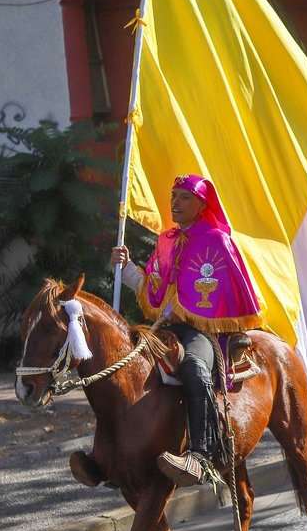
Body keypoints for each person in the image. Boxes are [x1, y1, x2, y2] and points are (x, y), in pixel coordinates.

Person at [92, 175, 264, 488]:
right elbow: (152, 288)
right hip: (165, 329)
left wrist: (195, 308)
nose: (175, 203)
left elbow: (230, 292)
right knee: (117, 366)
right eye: (173, 196)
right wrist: (128, 267)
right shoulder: (166, 240)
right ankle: (110, 453)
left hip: (201, 330)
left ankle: (201, 455)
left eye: (184, 197)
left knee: (194, 368)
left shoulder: (217, 239)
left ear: (202, 204)